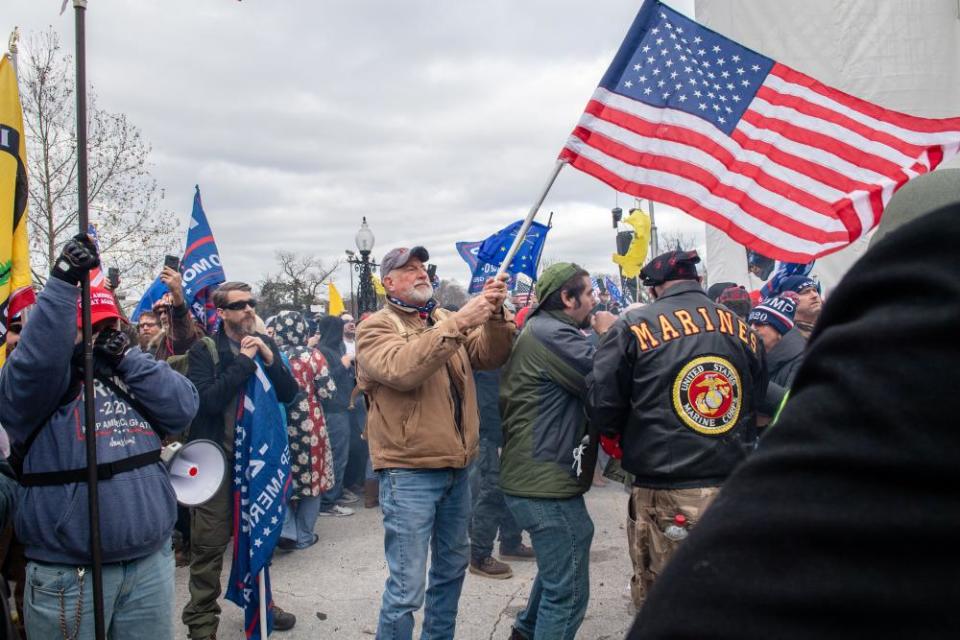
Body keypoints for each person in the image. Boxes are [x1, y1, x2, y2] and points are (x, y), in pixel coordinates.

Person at [627, 184, 960, 640]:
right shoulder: (763, 343)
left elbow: (610, 400)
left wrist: (636, 446)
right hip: (722, 465)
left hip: (675, 475)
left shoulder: (842, 393)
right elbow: (753, 394)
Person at [0, 234, 199, 640]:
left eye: (108, 326)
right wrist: (61, 282)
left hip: (148, 564)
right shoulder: (35, 388)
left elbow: (183, 406)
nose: (99, 335)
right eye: (89, 327)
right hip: (69, 576)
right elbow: (35, 363)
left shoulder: (129, 370)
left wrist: (125, 357)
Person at [590, 249, 766, 609]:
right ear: (698, 280)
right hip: (732, 485)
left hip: (666, 487)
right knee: (729, 596)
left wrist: (630, 435)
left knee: (666, 601)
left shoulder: (633, 327)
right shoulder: (742, 328)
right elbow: (756, 396)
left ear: (654, 289)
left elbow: (603, 405)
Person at [356, 245, 514, 640]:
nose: (420, 273)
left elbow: (490, 355)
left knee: (450, 570)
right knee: (407, 588)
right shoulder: (376, 326)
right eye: (408, 269)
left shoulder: (443, 318)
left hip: (459, 468)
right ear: (388, 281)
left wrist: (494, 314)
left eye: (422, 267)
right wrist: (460, 322)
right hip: (408, 471)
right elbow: (402, 369)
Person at [498, 263, 616, 640]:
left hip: (540, 478)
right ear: (567, 298)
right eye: (589, 293)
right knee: (568, 593)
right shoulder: (554, 334)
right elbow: (607, 382)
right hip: (541, 482)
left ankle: (524, 632)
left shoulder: (546, 329)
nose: (595, 300)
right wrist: (610, 335)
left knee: (561, 565)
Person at [181, 281, 300, 639]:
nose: (249, 310)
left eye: (251, 303)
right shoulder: (205, 350)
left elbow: (289, 393)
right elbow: (208, 401)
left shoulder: (265, 344)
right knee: (209, 547)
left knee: (261, 536)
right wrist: (245, 363)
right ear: (223, 313)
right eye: (239, 305)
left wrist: (268, 357)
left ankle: (263, 604)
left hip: (257, 465)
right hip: (219, 465)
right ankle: (202, 624)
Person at [268, 311, 336, 550]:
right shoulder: (313, 356)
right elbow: (329, 392)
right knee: (312, 479)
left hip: (280, 424)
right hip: (310, 426)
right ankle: (305, 535)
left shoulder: (271, 355)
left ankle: (287, 530)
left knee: (284, 476)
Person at [468, 368, 533, 580]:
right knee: (492, 492)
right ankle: (479, 556)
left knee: (513, 487)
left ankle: (511, 542)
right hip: (492, 435)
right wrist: (497, 439)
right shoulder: (489, 359)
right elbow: (487, 400)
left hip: (510, 432)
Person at [313, 315, 356, 517]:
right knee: (336, 456)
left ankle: (337, 492)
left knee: (343, 455)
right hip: (333, 411)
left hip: (343, 408)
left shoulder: (336, 348)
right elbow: (325, 381)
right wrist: (344, 365)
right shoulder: (321, 351)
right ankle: (329, 501)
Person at [148, 265, 204, 361]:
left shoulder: (194, 334)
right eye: (160, 313)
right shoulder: (155, 343)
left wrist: (176, 292)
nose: (163, 317)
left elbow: (181, 325)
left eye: (168, 311)